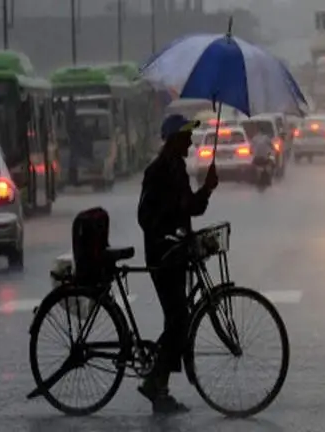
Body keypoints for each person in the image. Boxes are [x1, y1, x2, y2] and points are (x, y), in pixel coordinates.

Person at [136, 114, 219, 414]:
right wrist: (175, 215)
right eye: (185, 137)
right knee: (177, 320)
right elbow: (146, 217)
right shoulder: (157, 171)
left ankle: (159, 385)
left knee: (178, 320)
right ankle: (155, 384)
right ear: (173, 140)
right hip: (162, 255)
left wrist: (207, 189)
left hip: (177, 253)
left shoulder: (178, 169)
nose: (190, 142)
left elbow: (192, 208)